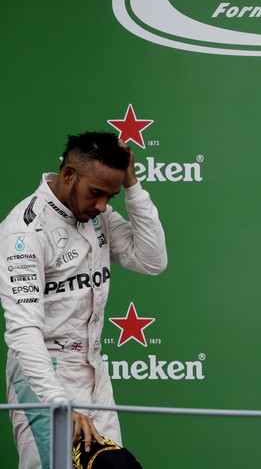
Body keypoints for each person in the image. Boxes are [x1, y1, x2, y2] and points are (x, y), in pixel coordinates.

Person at [1, 132, 168, 469]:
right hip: (44, 378)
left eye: (112, 196)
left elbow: (152, 260)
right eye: (96, 193)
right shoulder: (24, 232)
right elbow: (23, 332)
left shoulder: (96, 216)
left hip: (95, 374)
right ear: (68, 175)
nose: (103, 206)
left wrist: (132, 186)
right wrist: (59, 403)